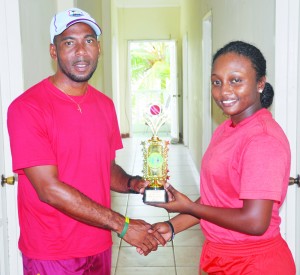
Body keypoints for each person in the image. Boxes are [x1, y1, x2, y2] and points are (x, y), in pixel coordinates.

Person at [7, 8, 165, 275]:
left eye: (89, 40)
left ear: (98, 48)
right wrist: (123, 225)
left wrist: (133, 183)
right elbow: (49, 189)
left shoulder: (104, 105)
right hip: (52, 253)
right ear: (53, 52)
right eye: (69, 42)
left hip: (98, 244)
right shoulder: (27, 108)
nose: (81, 51)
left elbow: (105, 167)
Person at [150, 41, 296, 274]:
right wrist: (173, 226)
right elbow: (217, 198)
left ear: (260, 83)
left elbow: (255, 222)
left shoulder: (262, 139)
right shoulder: (228, 127)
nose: (224, 91)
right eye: (217, 82)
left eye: (236, 80)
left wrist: (189, 207)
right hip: (219, 256)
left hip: (254, 263)